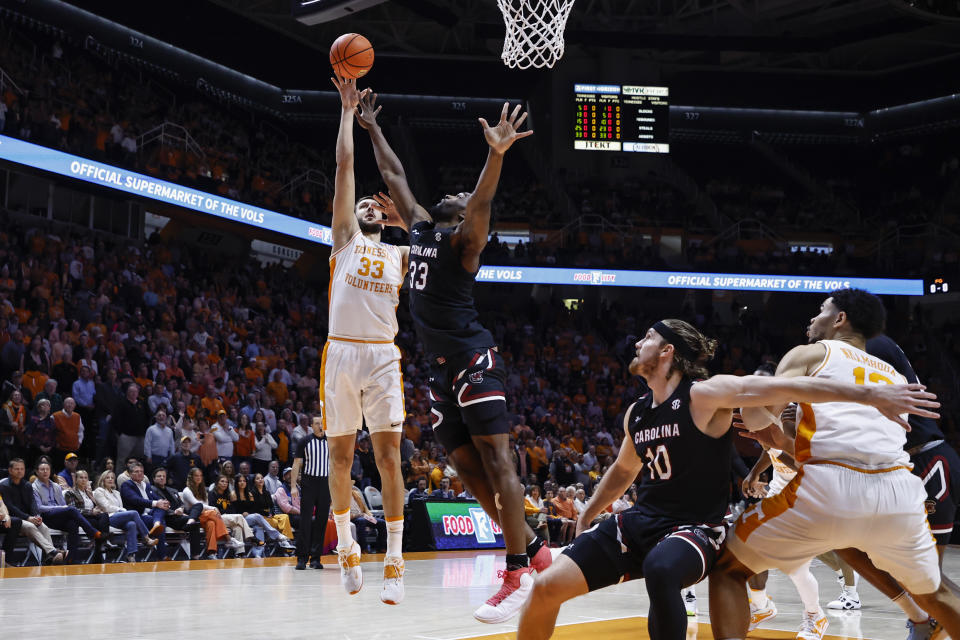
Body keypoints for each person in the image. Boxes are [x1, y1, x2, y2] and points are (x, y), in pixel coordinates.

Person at [516, 317, 941, 640]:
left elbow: (784, 388)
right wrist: (590, 510)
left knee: (662, 570)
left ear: (666, 351)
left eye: (646, 338)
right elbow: (625, 469)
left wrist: (869, 394)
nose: (637, 343)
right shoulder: (637, 412)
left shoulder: (705, 394)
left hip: (697, 528)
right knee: (545, 587)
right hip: (642, 520)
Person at [358, 89, 548, 623]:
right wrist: (371, 127)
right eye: (460, 194)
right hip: (441, 370)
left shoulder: (465, 241)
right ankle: (535, 551)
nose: (460, 194)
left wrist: (496, 155)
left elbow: (482, 204)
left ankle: (516, 571)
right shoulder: (419, 227)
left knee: (497, 461)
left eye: (465, 197)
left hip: (473, 358)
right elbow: (395, 174)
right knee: (466, 470)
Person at [709, 289, 960, 640]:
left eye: (821, 311)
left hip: (831, 488)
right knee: (938, 593)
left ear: (840, 319)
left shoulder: (809, 353)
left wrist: (765, 427)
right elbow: (859, 441)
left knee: (728, 568)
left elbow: (758, 410)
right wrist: (783, 440)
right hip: (898, 495)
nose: (812, 319)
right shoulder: (893, 376)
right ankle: (920, 615)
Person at [321, 75, 409, 603]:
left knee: (389, 459)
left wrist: (404, 216)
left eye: (377, 206)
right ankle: (348, 545)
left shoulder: (402, 253)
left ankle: (395, 560)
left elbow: (438, 225)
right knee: (340, 460)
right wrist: (346, 113)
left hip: (381, 356)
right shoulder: (345, 240)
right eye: (364, 206)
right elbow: (345, 169)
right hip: (341, 351)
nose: (369, 207)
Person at [32, 460, 105, 562]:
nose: (45, 471)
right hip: (45, 517)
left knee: (73, 523)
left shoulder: (55, 486)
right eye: (42, 469)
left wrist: (61, 508)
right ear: (37, 472)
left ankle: (71, 559)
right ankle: (93, 533)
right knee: (71, 509)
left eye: (47, 469)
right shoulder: (34, 487)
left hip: (58, 516)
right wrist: (59, 508)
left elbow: (63, 505)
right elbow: (39, 507)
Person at [0, 458, 63, 564]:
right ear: (10, 470)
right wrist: (28, 518)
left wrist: (36, 516)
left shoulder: (27, 485)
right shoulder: (4, 486)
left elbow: (33, 504)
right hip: (14, 520)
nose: (20, 471)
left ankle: (48, 559)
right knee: (30, 526)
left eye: (22, 469)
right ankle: (53, 552)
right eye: (17, 469)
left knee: (44, 527)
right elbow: (10, 507)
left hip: (29, 518)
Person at [92, 470, 158, 562]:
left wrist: (121, 510)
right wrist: (120, 509)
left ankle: (130, 555)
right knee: (134, 513)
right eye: (108, 477)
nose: (110, 479)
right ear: (103, 480)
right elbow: (106, 507)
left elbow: (121, 507)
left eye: (112, 477)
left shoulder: (117, 493)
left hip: (119, 517)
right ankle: (146, 538)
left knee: (131, 524)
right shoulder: (99, 491)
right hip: (108, 518)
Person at [290, 418, 330, 571]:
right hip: (309, 484)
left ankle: (316, 558)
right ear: (311, 426)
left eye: (322, 423)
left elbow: (334, 465)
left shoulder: (330, 442)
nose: (320, 426)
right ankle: (301, 558)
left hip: (325, 484)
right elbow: (296, 464)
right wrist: (293, 486)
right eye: (317, 423)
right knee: (305, 522)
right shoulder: (304, 441)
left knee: (321, 522)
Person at [181, 467, 240, 558]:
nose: (198, 477)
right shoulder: (187, 490)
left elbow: (205, 506)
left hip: (205, 516)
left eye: (200, 475)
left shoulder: (203, 490)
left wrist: (211, 509)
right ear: (191, 477)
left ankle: (211, 553)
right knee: (213, 513)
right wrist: (213, 508)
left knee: (211, 523)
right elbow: (198, 505)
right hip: (192, 518)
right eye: (196, 475)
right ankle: (228, 539)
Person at [231, 473, 294, 552]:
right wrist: (243, 513)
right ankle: (279, 536)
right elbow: (235, 509)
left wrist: (271, 513)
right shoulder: (234, 494)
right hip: (241, 518)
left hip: (253, 517)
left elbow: (255, 508)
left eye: (244, 481)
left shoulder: (250, 494)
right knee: (258, 517)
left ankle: (260, 553)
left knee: (284, 517)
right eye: (240, 481)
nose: (242, 482)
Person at [119, 462, 169, 559]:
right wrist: (156, 503)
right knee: (161, 522)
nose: (140, 473)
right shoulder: (127, 485)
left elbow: (156, 498)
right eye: (136, 471)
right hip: (138, 516)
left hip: (150, 514)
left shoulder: (146, 485)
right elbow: (137, 500)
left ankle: (156, 523)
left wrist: (164, 502)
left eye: (141, 471)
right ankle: (162, 556)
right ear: (130, 474)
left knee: (161, 508)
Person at [151, 468, 204, 558]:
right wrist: (175, 512)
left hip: (181, 516)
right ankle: (196, 555)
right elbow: (159, 507)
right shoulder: (152, 490)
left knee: (199, 505)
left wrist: (181, 509)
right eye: (159, 476)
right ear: (154, 479)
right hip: (169, 517)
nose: (162, 478)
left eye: (164, 476)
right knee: (196, 523)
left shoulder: (173, 490)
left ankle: (190, 520)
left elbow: (182, 504)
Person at [63, 468, 113, 562]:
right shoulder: (70, 493)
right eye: (81, 477)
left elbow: (96, 506)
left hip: (93, 516)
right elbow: (73, 510)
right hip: (80, 518)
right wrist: (91, 512)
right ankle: (101, 545)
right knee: (95, 522)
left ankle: (102, 541)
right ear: (76, 480)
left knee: (104, 515)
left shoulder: (89, 493)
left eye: (86, 478)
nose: (83, 480)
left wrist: (96, 507)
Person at [251, 472, 293, 539]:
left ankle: (287, 540)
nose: (260, 480)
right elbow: (255, 508)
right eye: (257, 479)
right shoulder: (252, 493)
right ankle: (285, 541)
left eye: (261, 478)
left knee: (284, 516)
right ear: (254, 482)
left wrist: (271, 513)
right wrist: (267, 513)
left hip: (269, 516)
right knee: (279, 522)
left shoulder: (267, 493)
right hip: (260, 517)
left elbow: (271, 506)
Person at [349, 483, 386, 553]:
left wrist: (370, 516)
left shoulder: (356, 494)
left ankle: (381, 547)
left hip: (363, 516)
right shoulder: (340, 496)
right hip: (352, 517)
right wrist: (357, 515)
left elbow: (365, 508)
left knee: (381, 522)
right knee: (362, 521)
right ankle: (364, 548)